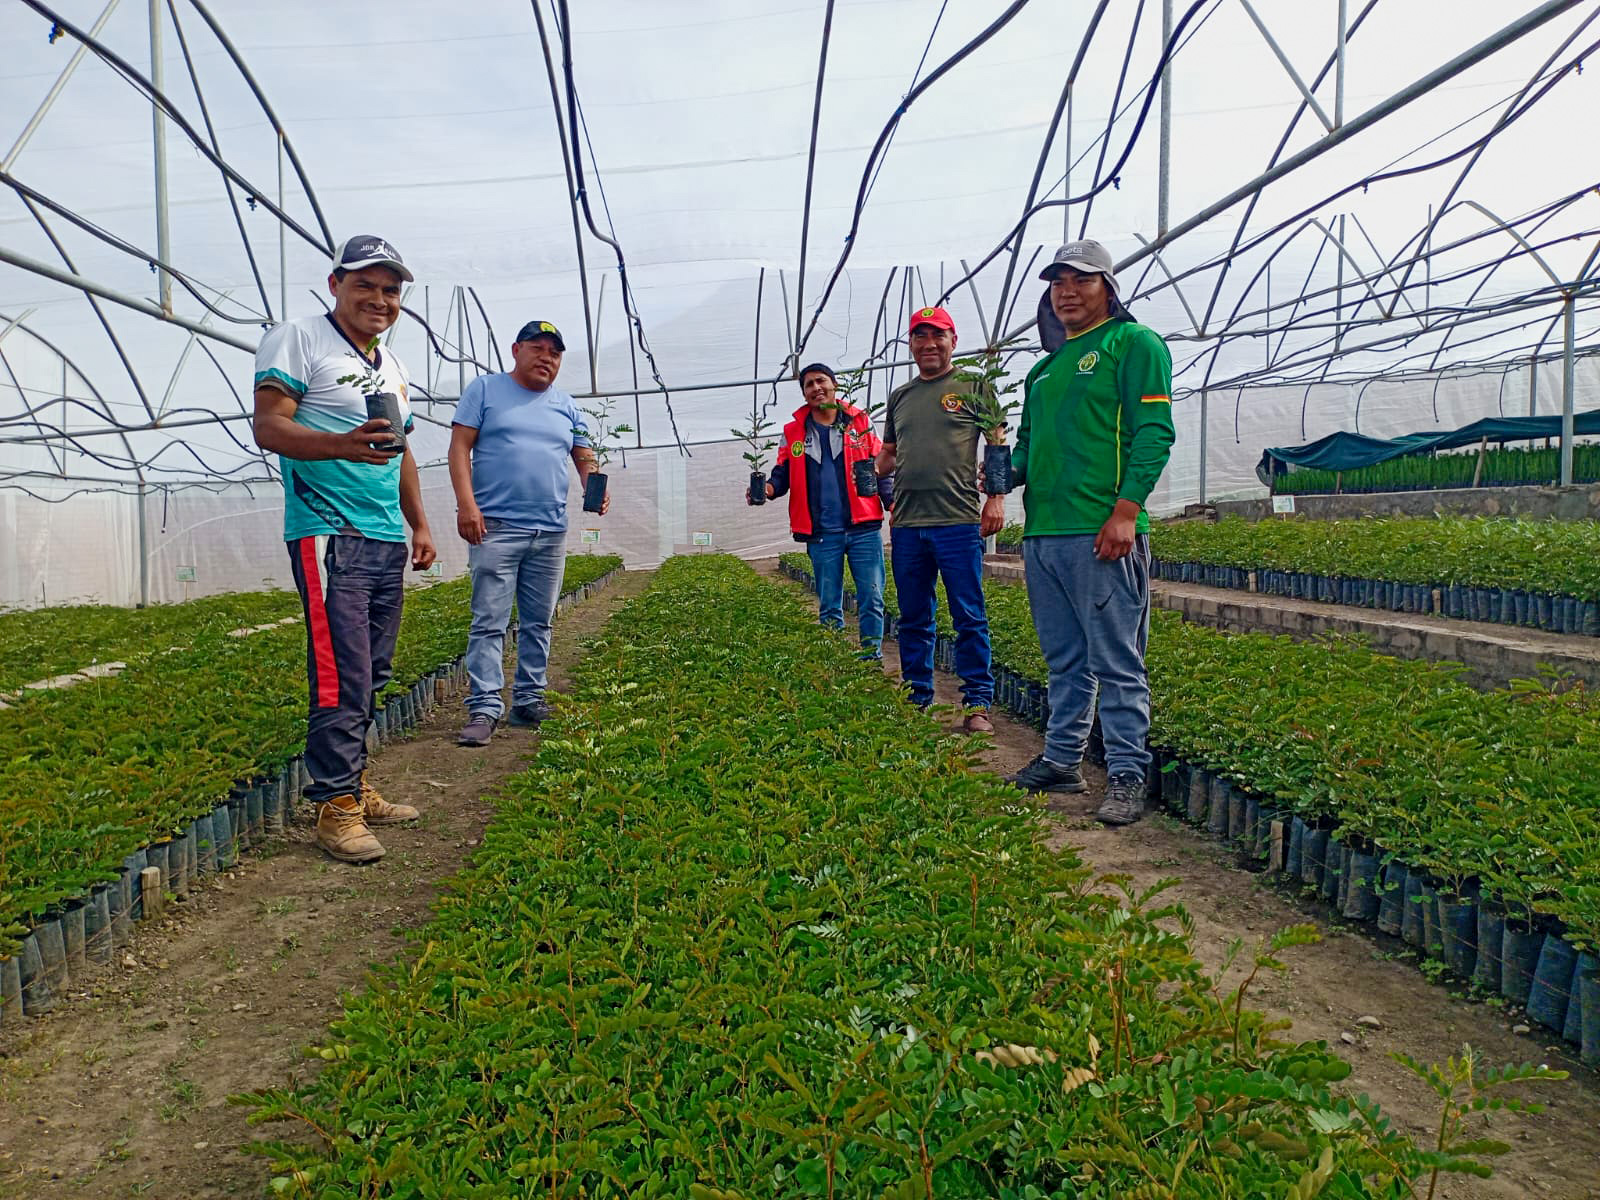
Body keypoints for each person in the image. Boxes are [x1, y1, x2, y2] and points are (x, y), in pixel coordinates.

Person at [252, 234, 435, 864]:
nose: (379, 299)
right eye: (366, 285)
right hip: (329, 531)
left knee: (374, 672)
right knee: (340, 674)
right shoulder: (298, 338)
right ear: (336, 285)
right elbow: (269, 426)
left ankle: (352, 784)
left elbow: (402, 451)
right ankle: (334, 809)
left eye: (391, 289)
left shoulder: (394, 366)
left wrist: (420, 525)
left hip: (384, 534)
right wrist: (341, 445)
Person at [1005, 239, 1175, 826]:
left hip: (1101, 529)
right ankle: (1062, 761)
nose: (1066, 292)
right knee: (1064, 660)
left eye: (1080, 280)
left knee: (1117, 661)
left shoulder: (1134, 345)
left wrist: (1126, 511)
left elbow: (1155, 432)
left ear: (1108, 287)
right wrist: (1006, 469)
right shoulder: (1043, 369)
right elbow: (1028, 446)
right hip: (1044, 532)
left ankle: (1128, 773)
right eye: (1057, 283)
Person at [449, 320, 605, 747]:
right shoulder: (484, 390)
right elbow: (459, 447)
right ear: (516, 350)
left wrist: (596, 485)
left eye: (554, 353)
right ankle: (484, 707)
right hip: (496, 527)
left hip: (550, 531)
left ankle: (528, 700)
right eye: (537, 348)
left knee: (540, 621)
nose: (546, 358)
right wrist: (467, 505)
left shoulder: (567, 406)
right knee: (489, 622)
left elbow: (585, 455)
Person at [874, 306, 1006, 732]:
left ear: (953, 340)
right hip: (908, 525)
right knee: (913, 616)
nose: (929, 344)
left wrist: (997, 499)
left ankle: (977, 703)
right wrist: (865, 475)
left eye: (938, 335)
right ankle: (917, 696)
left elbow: (997, 441)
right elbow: (889, 456)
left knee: (968, 613)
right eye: (920, 336)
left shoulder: (973, 385)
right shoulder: (901, 397)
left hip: (958, 521)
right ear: (910, 344)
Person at [754, 363, 892, 658]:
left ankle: (871, 659)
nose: (816, 388)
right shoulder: (793, 432)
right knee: (830, 601)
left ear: (834, 385)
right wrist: (767, 489)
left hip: (863, 527)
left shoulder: (860, 422)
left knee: (872, 597)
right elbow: (783, 472)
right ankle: (835, 659)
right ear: (804, 393)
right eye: (808, 384)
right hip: (821, 532)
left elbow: (880, 468)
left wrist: (892, 502)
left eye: (821, 381)